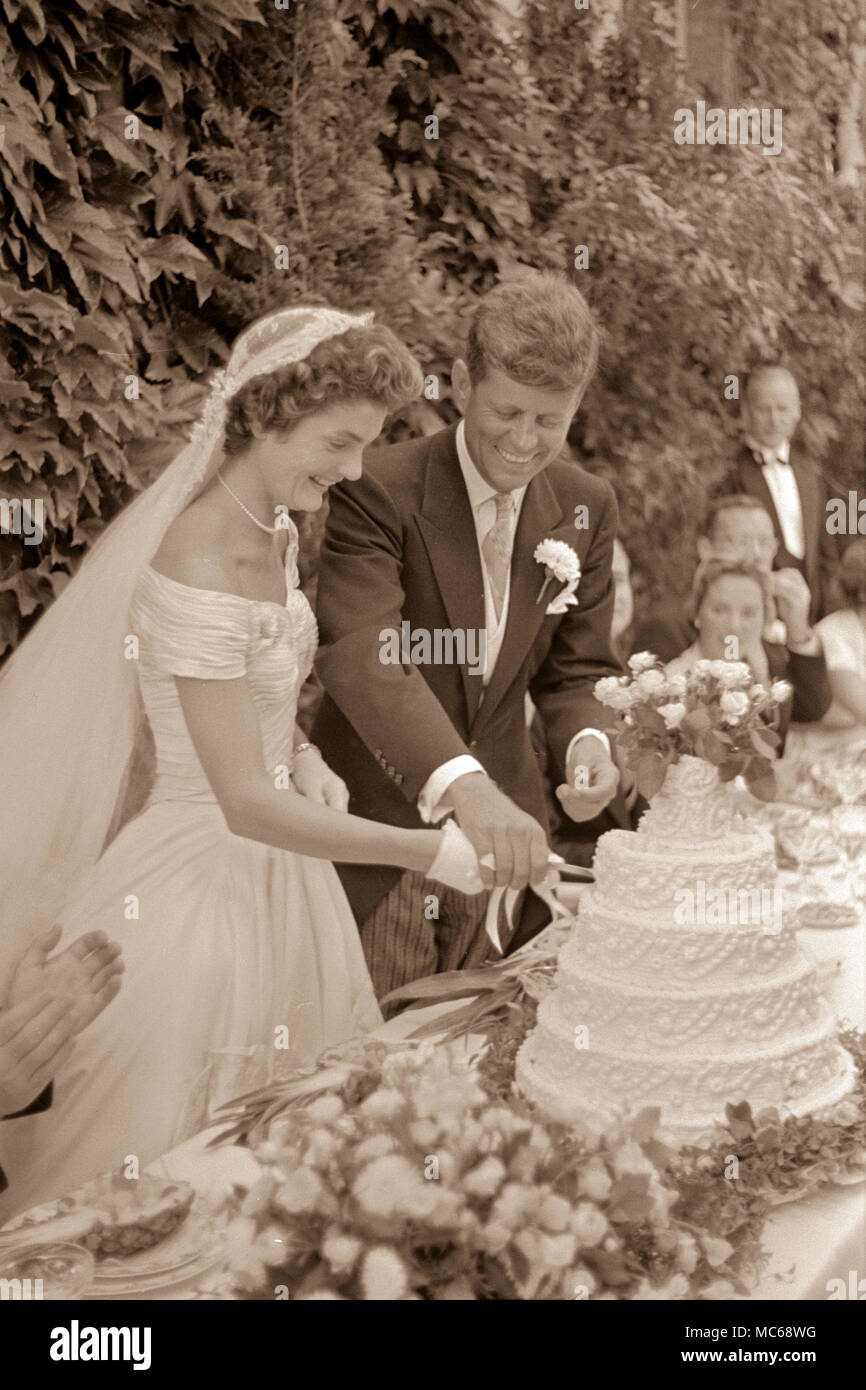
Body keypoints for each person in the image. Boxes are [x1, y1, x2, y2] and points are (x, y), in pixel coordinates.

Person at [0, 307, 486, 1218]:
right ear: (266, 415)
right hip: (196, 886)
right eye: (337, 444)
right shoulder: (194, 560)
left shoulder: (276, 525)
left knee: (289, 1163)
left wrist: (299, 751)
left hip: (282, 873)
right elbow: (235, 800)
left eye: (363, 448)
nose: (349, 470)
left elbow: (245, 702)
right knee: (169, 1167)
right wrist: (427, 851)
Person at [312, 272, 628, 1007]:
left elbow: (576, 673)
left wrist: (589, 746)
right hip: (383, 840)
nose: (524, 441)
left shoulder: (587, 506)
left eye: (550, 420)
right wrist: (466, 790)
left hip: (511, 852)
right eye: (506, 411)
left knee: (482, 1069)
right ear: (459, 383)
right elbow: (365, 652)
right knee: (379, 1070)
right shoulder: (377, 486)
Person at [665, 556, 831, 751]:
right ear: (697, 614)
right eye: (719, 610)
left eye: (749, 613)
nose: (735, 626)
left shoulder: (769, 664)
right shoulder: (674, 683)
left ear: (766, 618)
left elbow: (811, 708)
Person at [715, 365, 839, 624]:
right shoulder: (728, 474)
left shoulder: (813, 474)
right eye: (764, 409)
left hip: (814, 617)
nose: (774, 419)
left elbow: (826, 554)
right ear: (746, 412)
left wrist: (827, 617)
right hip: (757, 615)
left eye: (783, 409)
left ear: (797, 412)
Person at [633, 493, 812, 661]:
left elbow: (801, 695)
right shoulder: (667, 628)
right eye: (741, 541)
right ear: (706, 549)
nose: (756, 555)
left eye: (764, 543)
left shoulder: (770, 620)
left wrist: (798, 636)